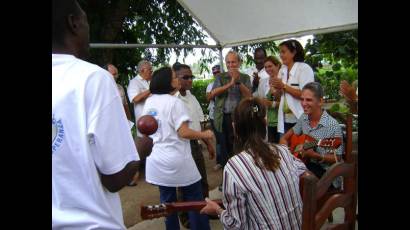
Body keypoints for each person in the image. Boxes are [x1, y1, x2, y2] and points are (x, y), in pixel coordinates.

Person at [52, 0, 139, 229]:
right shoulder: (92, 79)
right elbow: (115, 177)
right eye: (86, 20)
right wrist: (143, 145)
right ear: (73, 23)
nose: (89, 28)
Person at [200, 97, 307, 229]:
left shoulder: (234, 167)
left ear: (234, 127)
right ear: (265, 122)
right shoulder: (283, 151)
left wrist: (217, 210)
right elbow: (302, 169)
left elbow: (236, 225)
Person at [142, 67, 212, 230]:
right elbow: (184, 132)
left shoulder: (150, 102)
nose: (178, 80)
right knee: (195, 201)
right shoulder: (175, 103)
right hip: (177, 160)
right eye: (174, 77)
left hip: (157, 160)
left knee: (167, 204)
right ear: (167, 82)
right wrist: (206, 134)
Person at [279, 82, 344, 188]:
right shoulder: (304, 118)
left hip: (326, 175)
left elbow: (337, 158)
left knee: (292, 179)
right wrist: (288, 154)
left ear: (320, 102)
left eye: (308, 100)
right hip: (304, 165)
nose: (304, 103)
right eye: (302, 99)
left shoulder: (332, 125)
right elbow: (285, 138)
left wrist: (315, 155)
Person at [210, 50, 252, 172]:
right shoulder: (220, 77)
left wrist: (238, 82)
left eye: (233, 62)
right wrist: (229, 84)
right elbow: (213, 93)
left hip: (238, 117)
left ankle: (241, 172)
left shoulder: (245, 77)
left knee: (239, 144)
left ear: (239, 63)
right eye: (228, 62)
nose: (230, 65)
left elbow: (249, 96)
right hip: (222, 117)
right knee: (224, 146)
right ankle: (227, 174)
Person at [271, 39, 315, 135]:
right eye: (280, 52)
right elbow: (279, 97)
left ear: (293, 52)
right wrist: (276, 90)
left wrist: (283, 86)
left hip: (300, 117)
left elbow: (307, 96)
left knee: (301, 148)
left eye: (283, 52)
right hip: (284, 119)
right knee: (286, 148)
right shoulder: (282, 70)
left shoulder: (304, 68)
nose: (281, 55)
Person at [255, 56, 282, 143]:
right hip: (268, 121)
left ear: (277, 65)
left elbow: (286, 103)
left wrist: (271, 104)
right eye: (266, 67)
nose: (267, 69)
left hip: (282, 120)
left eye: (270, 66)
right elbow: (259, 101)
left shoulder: (283, 80)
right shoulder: (263, 82)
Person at [127, 60, 153, 136]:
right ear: (142, 70)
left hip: (155, 118)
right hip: (144, 122)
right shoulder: (134, 82)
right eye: (150, 70)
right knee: (145, 144)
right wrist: (151, 89)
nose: (151, 71)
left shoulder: (151, 81)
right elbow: (135, 99)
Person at [206, 65, 222, 170]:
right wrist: (215, 91)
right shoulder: (210, 85)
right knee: (219, 140)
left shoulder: (227, 83)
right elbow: (208, 97)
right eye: (214, 73)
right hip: (213, 115)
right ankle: (220, 161)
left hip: (225, 115)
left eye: (218, 72)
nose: (216, 74)